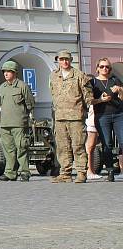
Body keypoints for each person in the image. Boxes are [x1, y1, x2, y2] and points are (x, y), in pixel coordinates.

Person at [49, 50, 93, 184]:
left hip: (76, 117)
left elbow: (88, 96)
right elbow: (53, 94)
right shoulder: (53, 76)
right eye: (61, 59)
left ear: (71, 60)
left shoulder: (79, 75)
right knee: (62, 147)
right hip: (60, 117)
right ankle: (65, 173)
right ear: (58, 60)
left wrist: (85, 110)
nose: (64, 62)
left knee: (78, 146)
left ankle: (81, 173)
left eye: (67, 59)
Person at [0, 61, 35, 182]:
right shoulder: (2, 87)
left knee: (21, 147)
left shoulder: (22, 86)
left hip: (18, 123)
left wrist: (24, 116)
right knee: (8, 149)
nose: (6, 74)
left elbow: (30, 103)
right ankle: (10, 172)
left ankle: (24, 171)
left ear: (14, 72)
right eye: (4, 72)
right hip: (5, 123)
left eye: (8, 71)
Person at [89, 58, 122, 182]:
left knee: (122, 141)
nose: (105, 69)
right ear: (97, 68)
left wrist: (120, 90)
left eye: (107, 67)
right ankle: (110, 170)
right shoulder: (93, 82)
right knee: (107, 144)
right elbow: (89, 101)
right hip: (102, 116)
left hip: (119, 114)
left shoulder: (115, 80)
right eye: (102, 66)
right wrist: (101, 100)